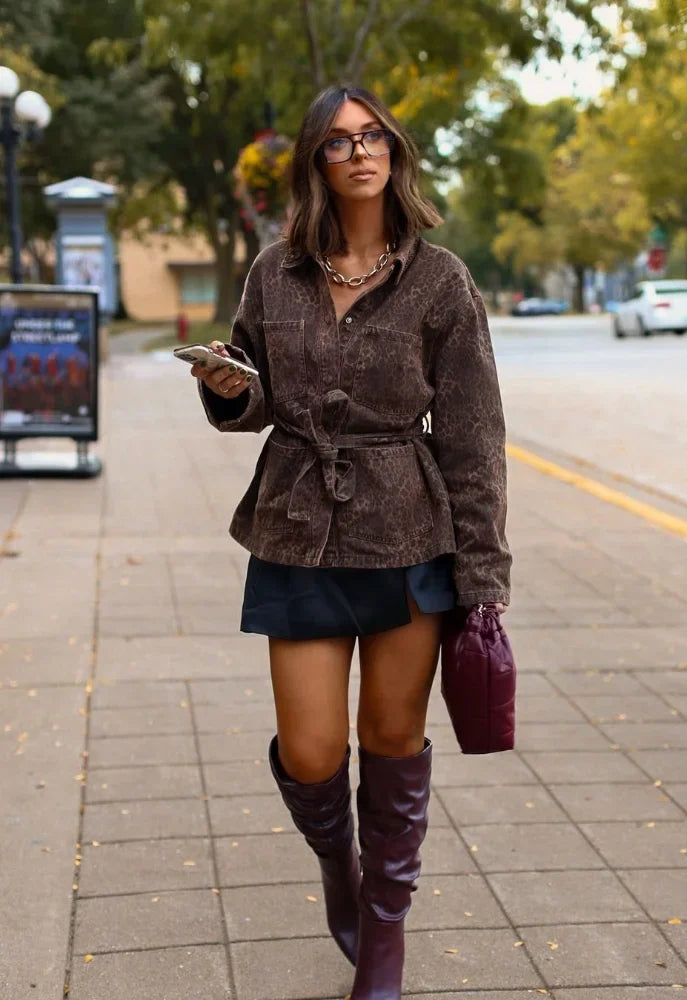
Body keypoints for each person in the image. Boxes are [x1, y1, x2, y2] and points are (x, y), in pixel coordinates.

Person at [191, 84, 511, 999]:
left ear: (395, 154)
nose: (360, 152)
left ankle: (385, 937)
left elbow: (474, 435)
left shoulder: (441, 280)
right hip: (296, 527)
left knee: (391, 737)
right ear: (316, 163)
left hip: (410, 532)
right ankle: (343, 870)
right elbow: (251, 402)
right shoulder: (274, 271)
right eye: (339, 142)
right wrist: (226, 387)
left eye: (373, 137)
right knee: (311, 750)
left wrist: (482, 575)